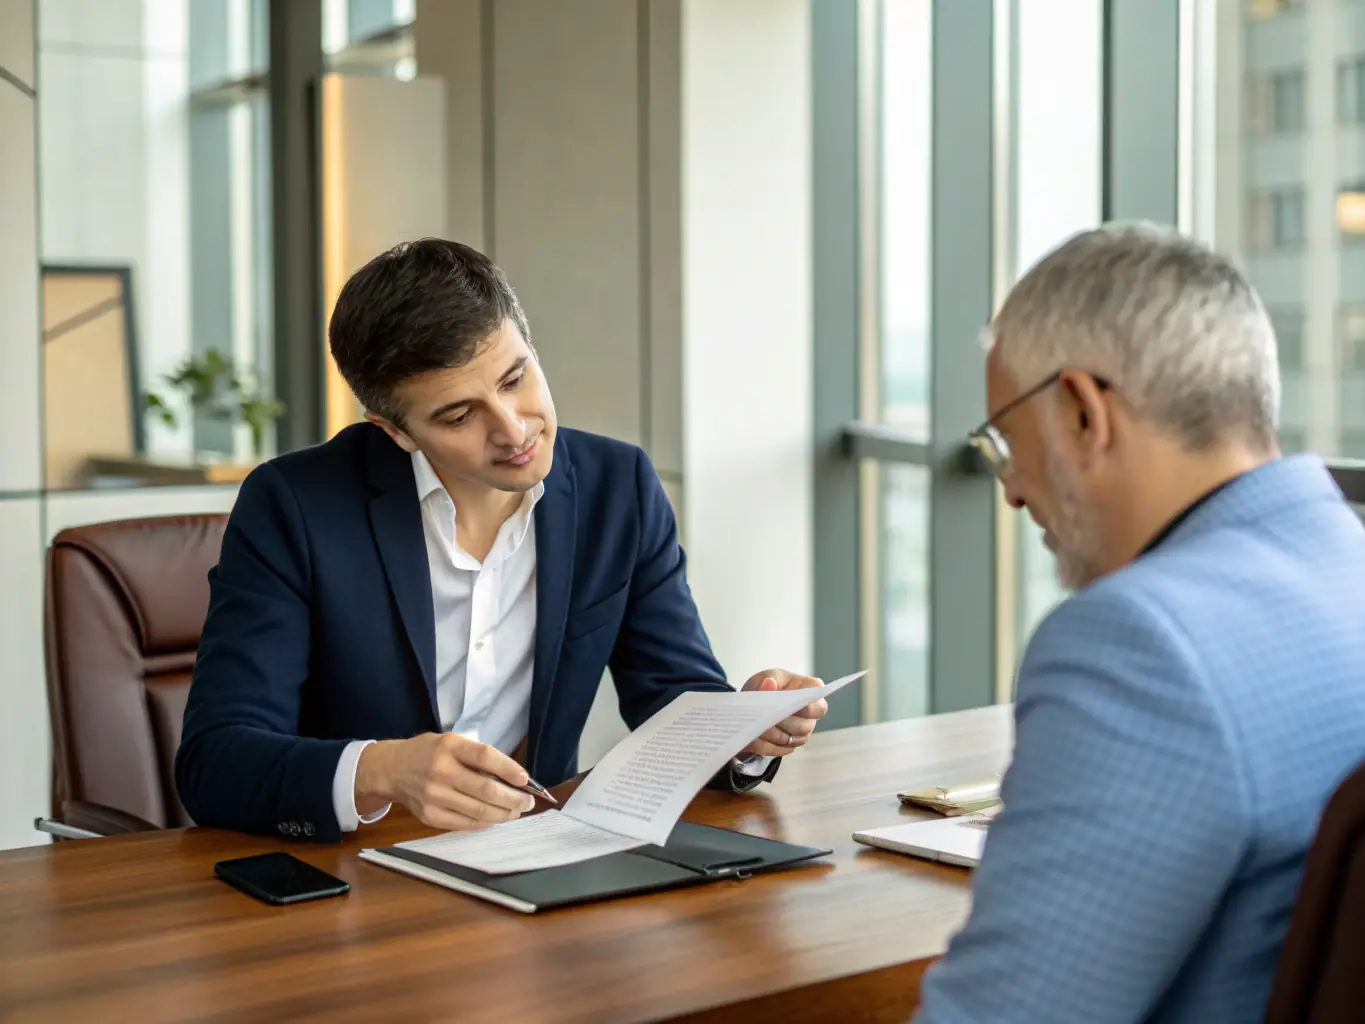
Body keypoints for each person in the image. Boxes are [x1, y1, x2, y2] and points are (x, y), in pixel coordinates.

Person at [175, 238, 827, 843]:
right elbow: (215, 761)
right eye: (458, 415)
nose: (513, 431)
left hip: (535, 862)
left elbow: (672, 691)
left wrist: (744, 727)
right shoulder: (294, 505)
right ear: (394, 430)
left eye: (516, 379)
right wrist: (386, 769)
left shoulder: (616, 485)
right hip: (359, 872)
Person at [914, 223, 1365, 1022]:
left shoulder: (1139, 645)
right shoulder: (1346, 566)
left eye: (1006, 442)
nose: (1012, 489)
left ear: (1084, 411)